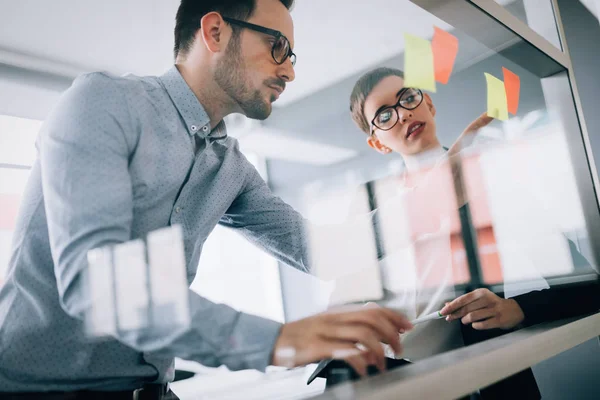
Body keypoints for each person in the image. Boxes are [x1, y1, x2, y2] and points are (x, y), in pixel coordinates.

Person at [0, 2, 414, 398]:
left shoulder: (229, 167)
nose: (288, 70)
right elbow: (97, 283)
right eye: (278, 47)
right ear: (214, 31)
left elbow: (322, 251)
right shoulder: (102, 102)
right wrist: (280, 341)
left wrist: (437, 193)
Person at [349, 66, 600, 399]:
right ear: (377, 144)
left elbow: (589, 288)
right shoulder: (380, 222)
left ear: (430, 105)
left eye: (408, 97)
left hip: (484, 383)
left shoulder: (491, 183)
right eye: (384, 116)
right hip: (405, 386)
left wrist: (518, 309)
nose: (404, 113)